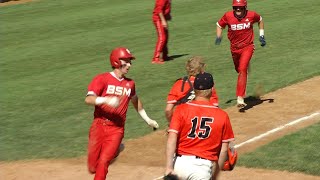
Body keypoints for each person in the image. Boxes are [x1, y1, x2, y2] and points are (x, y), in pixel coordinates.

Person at [84, 47, 159, 180]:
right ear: (116, 61)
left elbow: (136, 102)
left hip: (117, 129)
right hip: (98, 126)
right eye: (127, 61)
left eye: (130, 62)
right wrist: (105, 100)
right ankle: (117, 150)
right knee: (92, 168)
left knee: (103, 162)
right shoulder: (102, 79)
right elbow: (88, 99)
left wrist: (148, 119)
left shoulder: (130, 84)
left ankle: (112, 152)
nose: (130, 65)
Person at [165, 72, 235, 180]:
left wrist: (169, 167)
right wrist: (215, 177)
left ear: (194, 90)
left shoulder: (180, 110)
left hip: (179, 165)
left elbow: (172, 137)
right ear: (212, 90)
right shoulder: (222, 116)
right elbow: (224, 150)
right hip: (201, 169)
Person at [215, 0, 266, 107]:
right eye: (235, 8)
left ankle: (240, 97)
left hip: (248, 47)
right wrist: (219, 36)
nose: (238, 9)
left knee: (242, 69)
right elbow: (219, 25)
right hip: (234, 49)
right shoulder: (228, 16)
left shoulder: (251, 15)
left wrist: (261, 35)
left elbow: (260, 20)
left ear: (245, 7)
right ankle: (245, 65)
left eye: (240, 7)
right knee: (239, 69)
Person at [165, 56, 219, 124]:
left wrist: (171, 124)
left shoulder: (179, 84)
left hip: (183, 124)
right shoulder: (208, 84)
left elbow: (168, 110)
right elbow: (215, 108)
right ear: (202, 69)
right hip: (203, 126)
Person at [152, 0, 172, 64]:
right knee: (162, 38)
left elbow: (166, 7)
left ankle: (165, 56)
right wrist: (163, 20)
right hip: (158, 19)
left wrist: (168, 15)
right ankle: (155, 58)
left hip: (163, 18)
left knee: (166, 37)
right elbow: (159, 10)